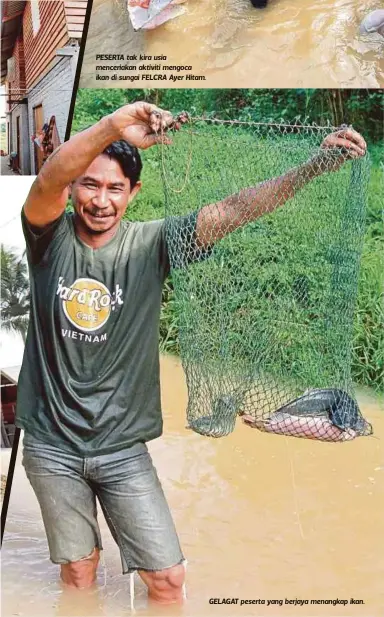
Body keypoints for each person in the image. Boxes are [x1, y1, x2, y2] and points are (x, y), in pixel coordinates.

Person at [16, 101, 366, 606]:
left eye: (115, 188)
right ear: (73, 189)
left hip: (122, 447)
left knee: (168, 580)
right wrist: (112, 126)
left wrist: (314, 165)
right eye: (89, 184)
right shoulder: (46, 237)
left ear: (133, 193)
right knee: (78, 572)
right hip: (51, 445)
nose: (100, 200)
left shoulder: (153, 243)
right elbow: (47, 178)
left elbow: (236, 208)